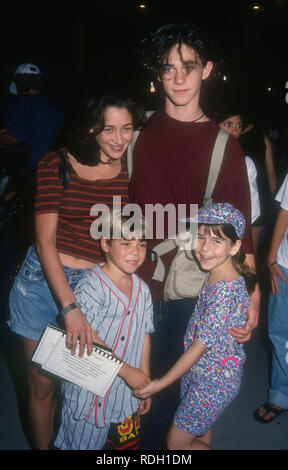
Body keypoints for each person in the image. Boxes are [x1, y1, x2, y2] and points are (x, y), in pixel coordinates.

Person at [129, 23, 260, 448]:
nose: (179, 78)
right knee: (138, 403)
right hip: (136, 287)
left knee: (178, 410)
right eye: (169, 68)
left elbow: (239, 229)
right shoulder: (135, 134)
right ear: (158, 75)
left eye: (188, 67)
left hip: (193, 293)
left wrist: (252, 296)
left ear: (206, 70)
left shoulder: (225, 146)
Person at [8, 94, 145, 450]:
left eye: (127, 128)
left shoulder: (129, 169)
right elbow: (44, 241)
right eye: (108, 129)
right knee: (41, 382)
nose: (119, 138)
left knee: (80, 384)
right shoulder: (57, 164)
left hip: (95, 285)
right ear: (90, 128)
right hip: (41, 284)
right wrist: (70, 309)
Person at [135, 202, 257, 450]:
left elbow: (198, 348)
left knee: (176, 444)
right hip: (203, 374)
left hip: (212, 382)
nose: (204, 247)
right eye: (200, 237)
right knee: (199, 434)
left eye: (216, 240)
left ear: (234, 247)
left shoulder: (223, 292)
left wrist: (160, 384)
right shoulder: (220, 272)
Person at [53, 212, 154, 450]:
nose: (136, 251)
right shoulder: (91, 286)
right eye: (126, 243)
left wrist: (144, 380)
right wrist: (128, 372)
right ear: (105, 244)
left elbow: (144, 335)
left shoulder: (143, 289)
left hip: (123, 396)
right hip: (88, 394)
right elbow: (87, 336)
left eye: (141, 243)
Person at [254, 174, 288, 423]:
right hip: (286, 267)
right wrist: (271, 258)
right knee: (280, 333)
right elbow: (285, 212)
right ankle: (280, 394)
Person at [0, 63, 63, 170]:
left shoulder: (21, 102)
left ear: (18, 83)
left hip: (26, 173)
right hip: (50, 170)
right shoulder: (52, 108)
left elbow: (16, 136)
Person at [213, 107, 261, 225]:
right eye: (228, 124)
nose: (235, 131)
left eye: (239, 126)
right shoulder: (198, 157)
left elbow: (252, 209)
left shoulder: (245, 164)